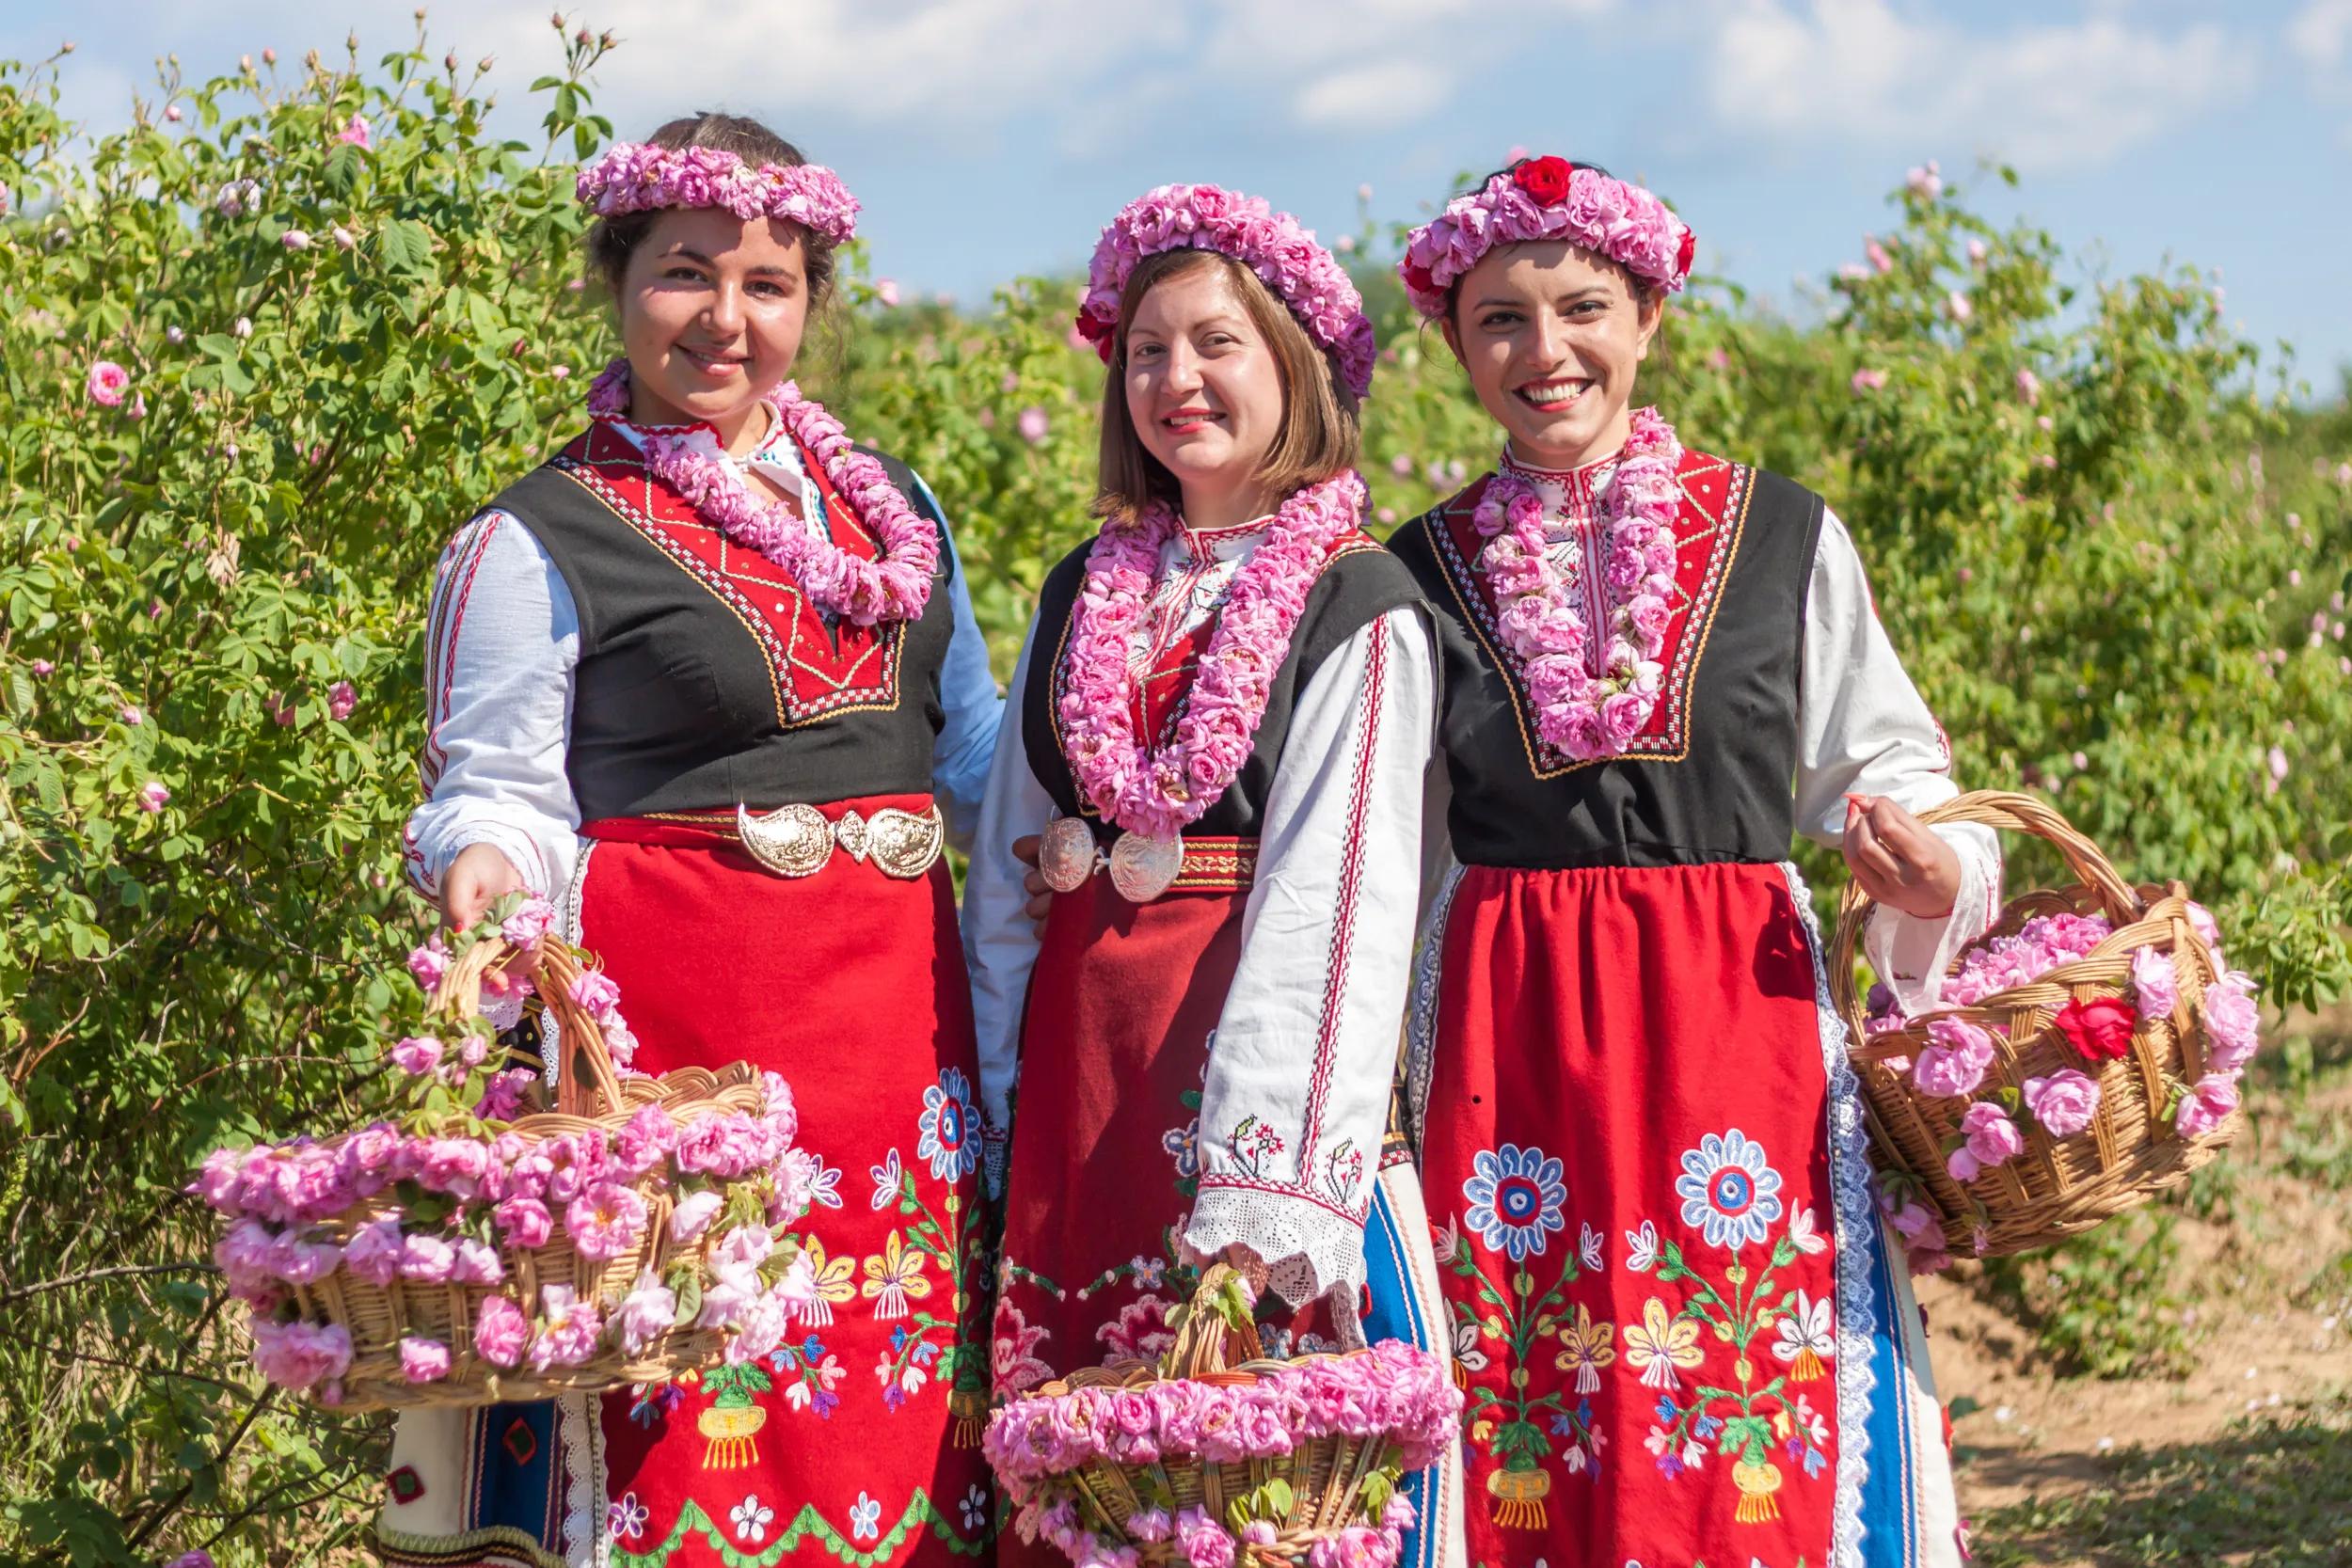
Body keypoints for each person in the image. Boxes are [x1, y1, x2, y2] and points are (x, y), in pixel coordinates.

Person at [382, 114, 1002, 1568]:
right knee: (699, 1434)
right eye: (685, 274)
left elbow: (972, 753)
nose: (727, 319)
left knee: (894, 1417)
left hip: (901, 1053)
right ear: (617, 283)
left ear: (810, 306)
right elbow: (498, 791)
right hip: (689, 1053)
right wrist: (481, 870)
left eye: (769, 284)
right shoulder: (538, 536)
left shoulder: (895, 511)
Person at [1384, 157, 2001, 1568]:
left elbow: (1896, 765)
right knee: (1527, 1406)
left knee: (1759, 1399)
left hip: (1742, 1029)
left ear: (1649, 315)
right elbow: (1387, 853)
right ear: (1456, 344)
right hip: (1508, 1039)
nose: (1547, 354)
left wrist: (1928, 872)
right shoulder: (1406, 577)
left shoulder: (1784, 532)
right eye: (1500, 321)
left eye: (1583, 308)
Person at [961, 183, 1444, 1563]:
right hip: (1082, 1077)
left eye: (1218, 344)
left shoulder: (1360, 599)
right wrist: (998, 1093)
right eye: (1150, 351)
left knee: (1239, 1465)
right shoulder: (1083, 586)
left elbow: (1338, 904)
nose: (1179, 380)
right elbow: (1012, 851)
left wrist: (1264, 1187)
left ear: (1295, 363)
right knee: (1081, 1457)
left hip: (1236, 1075)